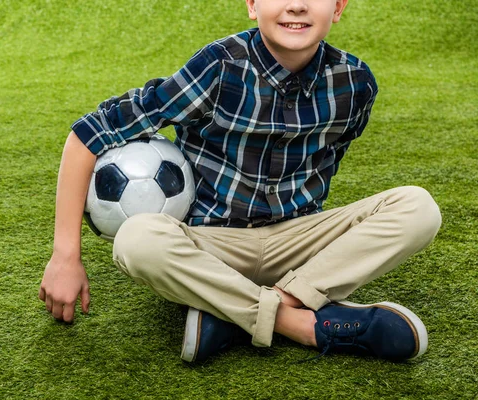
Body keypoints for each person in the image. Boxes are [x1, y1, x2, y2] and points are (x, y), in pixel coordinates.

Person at [39, 0, 442, 363]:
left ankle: (240, 313)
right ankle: (299, 324)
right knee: (136, 239)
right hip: (213, 245)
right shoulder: (220, 66)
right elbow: (88, 135)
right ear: (252, 5)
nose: (297, 5)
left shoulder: (355, 83)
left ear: (338, 7)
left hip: (297, 242)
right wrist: (65, 256)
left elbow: (330, 159)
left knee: (418, 207)